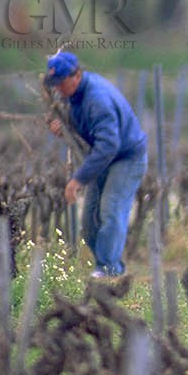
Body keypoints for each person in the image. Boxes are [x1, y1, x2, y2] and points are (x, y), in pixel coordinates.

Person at [43, 51, 147, 278]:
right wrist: (64, 125)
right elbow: (85, 126)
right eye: (55, 84)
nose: (58, 88)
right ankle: (108, 266)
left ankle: (108, 270)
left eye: (61, 82)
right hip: (104, 157)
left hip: (126, 158)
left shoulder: (97, 99)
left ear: (77, 75)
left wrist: (78, 179)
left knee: (111, 209)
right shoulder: (73, 96)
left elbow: (109, 145)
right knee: (89, 221)